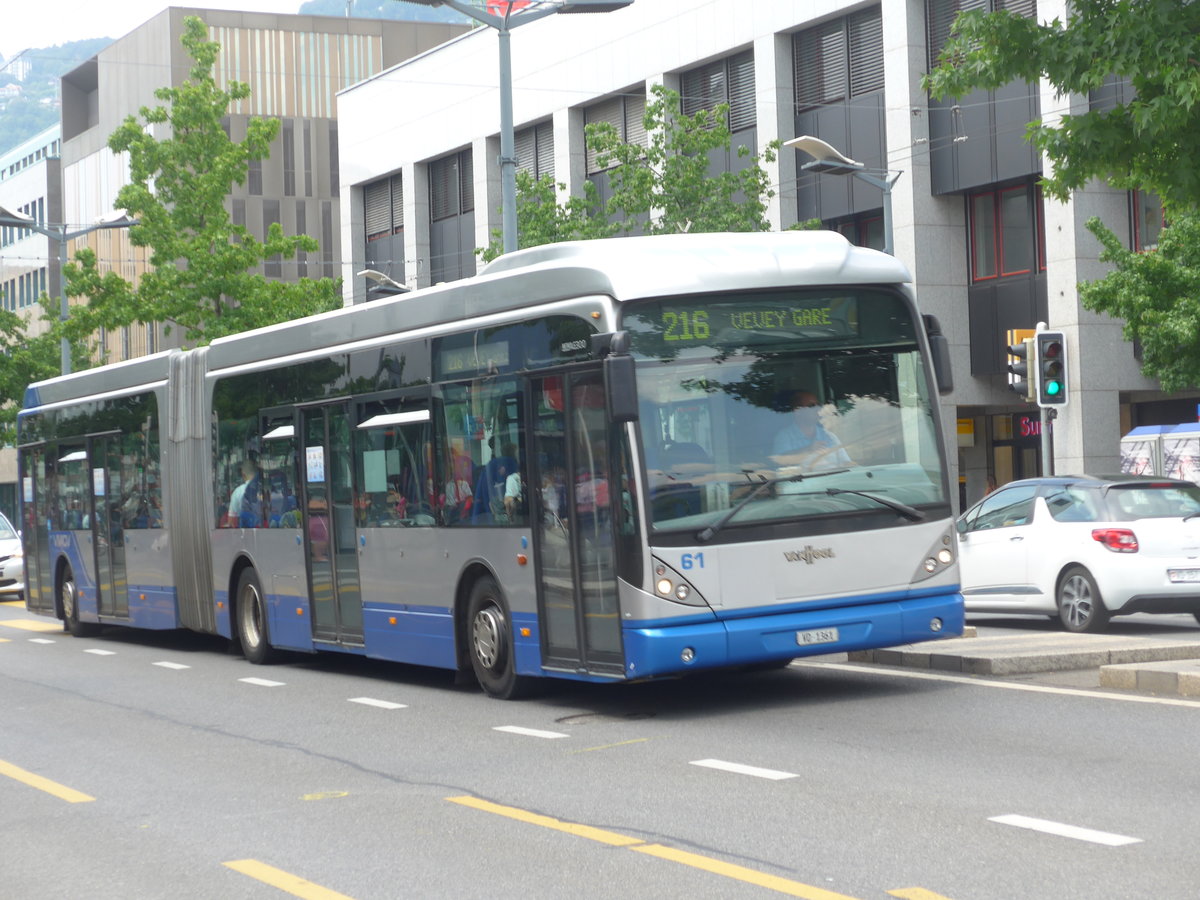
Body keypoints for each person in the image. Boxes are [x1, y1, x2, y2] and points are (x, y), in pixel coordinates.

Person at [771, 389, 853, 468]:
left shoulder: (829, 435)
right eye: (812, 406)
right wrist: (808, 450)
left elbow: (846, 463)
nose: (817, 409)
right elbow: (779, 463)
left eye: (818, 405)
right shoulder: (784, 436)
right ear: (798, 411)